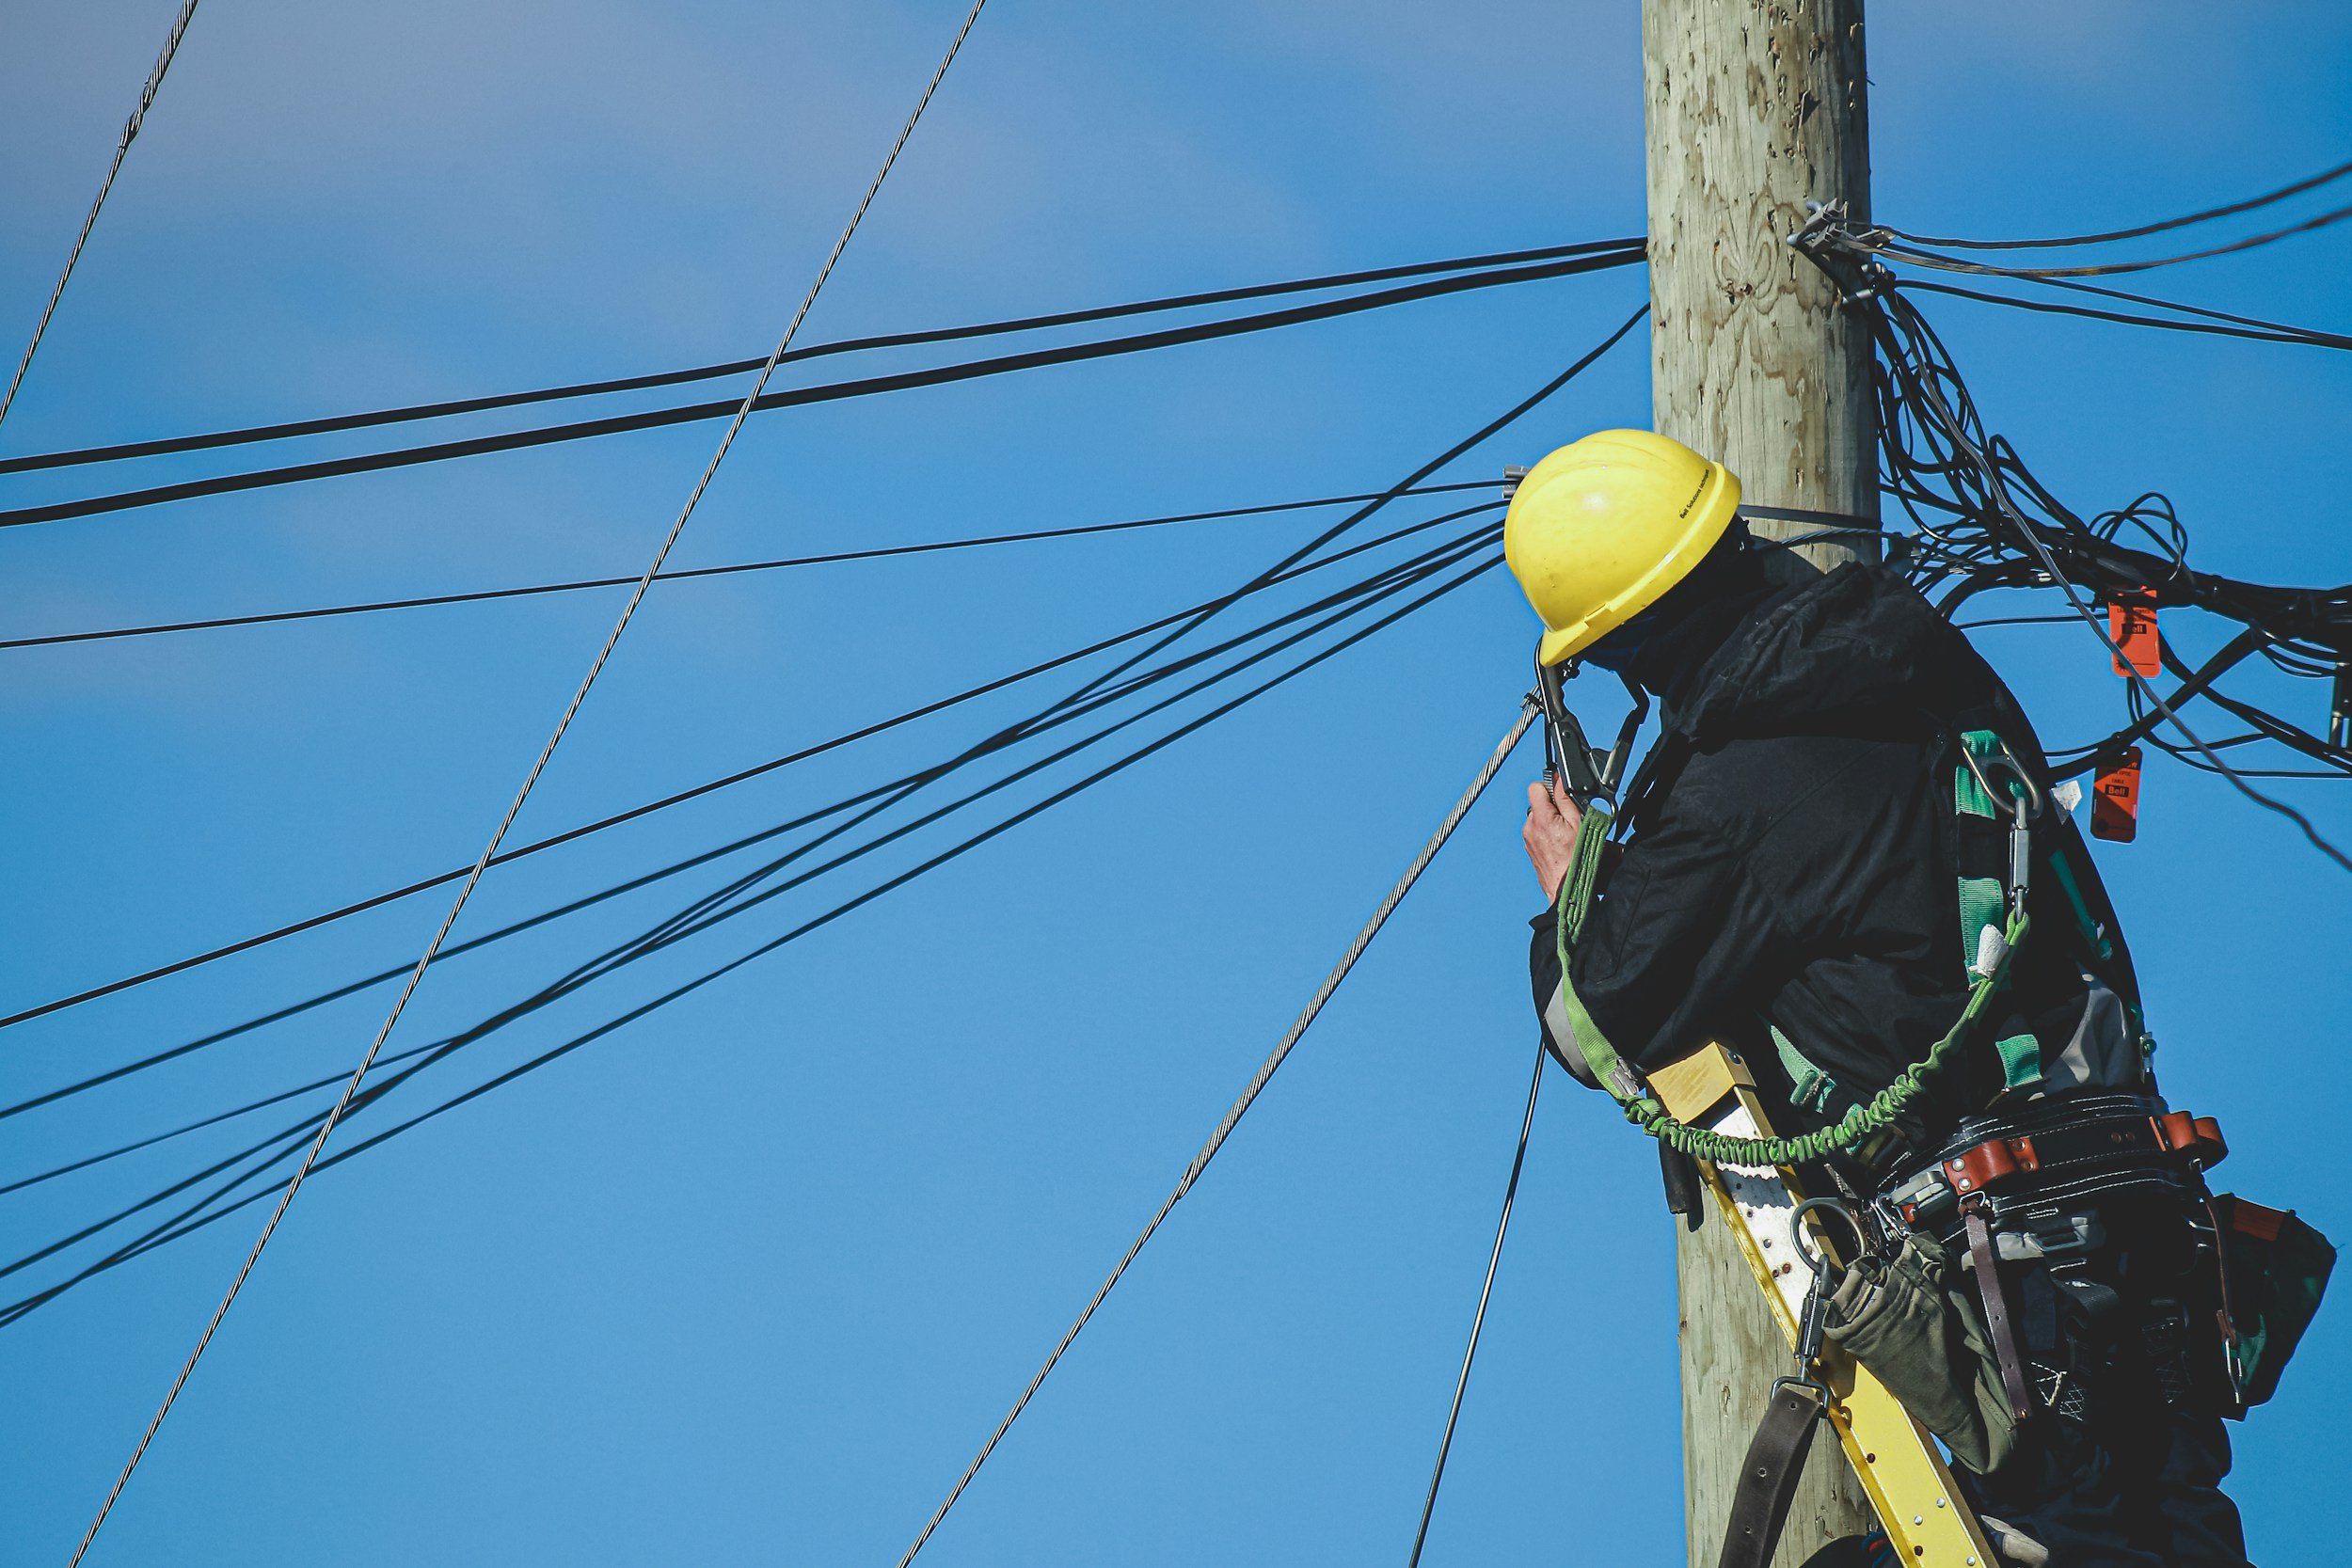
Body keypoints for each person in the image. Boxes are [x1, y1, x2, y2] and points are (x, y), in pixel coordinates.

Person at [1510, 429, 2253, 1567]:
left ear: (1618, 644)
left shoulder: (1740, 783)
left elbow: (1599, 1015)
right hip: (2140, 1209)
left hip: (2004, 1263)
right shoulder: (1925, 667)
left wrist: (1572, 894)